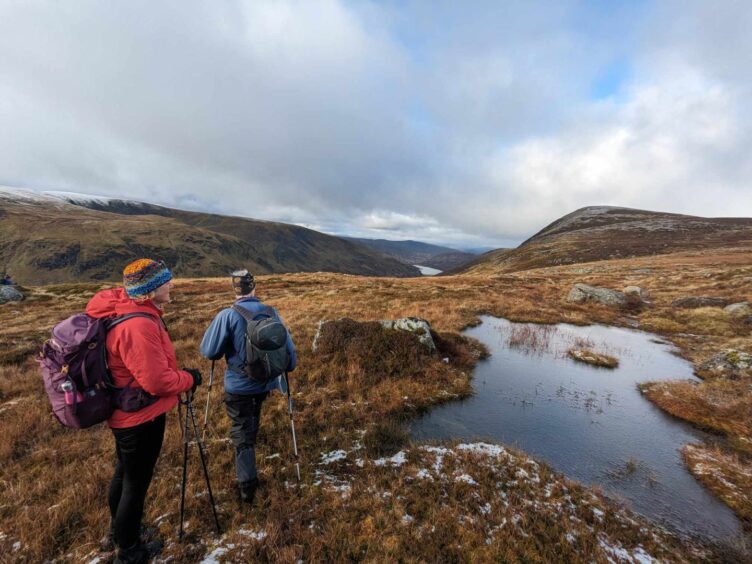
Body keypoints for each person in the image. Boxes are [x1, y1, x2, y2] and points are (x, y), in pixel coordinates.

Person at [86, 259, 201, 564]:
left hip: (127, 414)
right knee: (135, 484)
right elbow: (158, 382)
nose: (172, 284)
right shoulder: (138, 325)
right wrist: (190, 378)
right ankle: (130, 550)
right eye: (166, 281)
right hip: (140, 418)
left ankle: (119, 532)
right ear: (149, 290)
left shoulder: (133, 314)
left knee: (125, 474)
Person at [200, 269, 297, 505]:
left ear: (235, 291)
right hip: (266, 383)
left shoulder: (227, 315)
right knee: (251, 421)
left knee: (243, 435)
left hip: (239, 387)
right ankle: (250, 451)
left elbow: (209, 351)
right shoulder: (271, 312)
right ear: (254, 288)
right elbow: (290, 355)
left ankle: (247, 488)